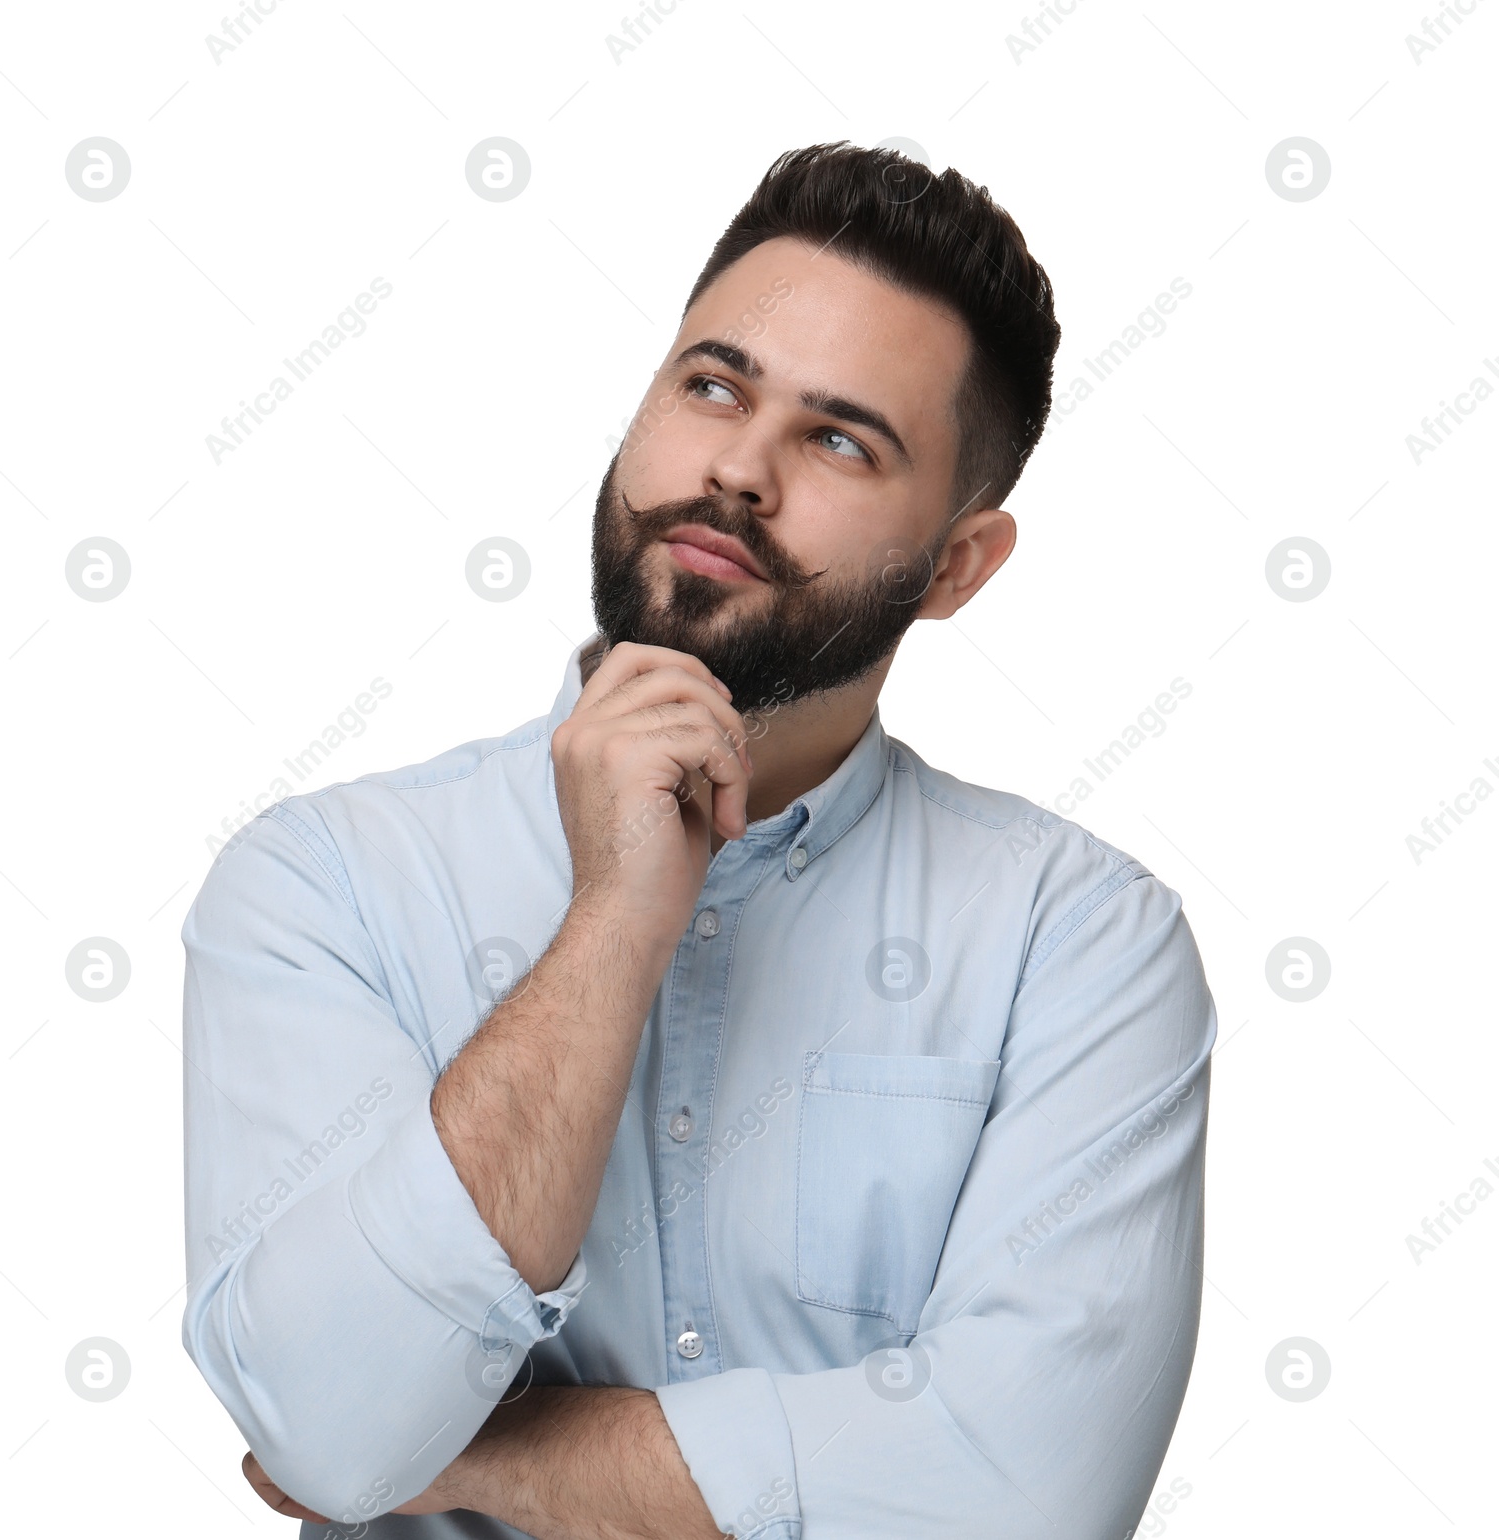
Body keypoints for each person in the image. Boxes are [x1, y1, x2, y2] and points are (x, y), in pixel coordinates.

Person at [181, 141, 1217, 1538]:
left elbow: (1024, 1498)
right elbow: (328, 1418)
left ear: (958, 567)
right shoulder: (328, 887)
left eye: (841, 439)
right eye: (714, 386)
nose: (737, 470)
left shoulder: (1082, 945)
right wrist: (616, 918)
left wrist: (479, 1459)